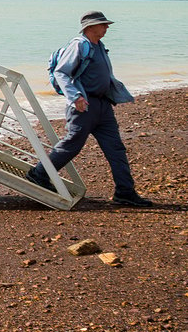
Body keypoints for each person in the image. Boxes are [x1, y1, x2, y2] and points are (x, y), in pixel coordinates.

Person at [26, 11, 152, 206]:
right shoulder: (79, 45)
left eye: (106, 24)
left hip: (103, 106)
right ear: (90, 27)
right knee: (71, 145)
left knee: (116, 149)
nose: (107, 27)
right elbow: (61, 72)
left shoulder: (99, 46)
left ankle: (125, 192)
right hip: (83, 106)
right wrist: (75, 97)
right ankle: (39, 174)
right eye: (103, 24)